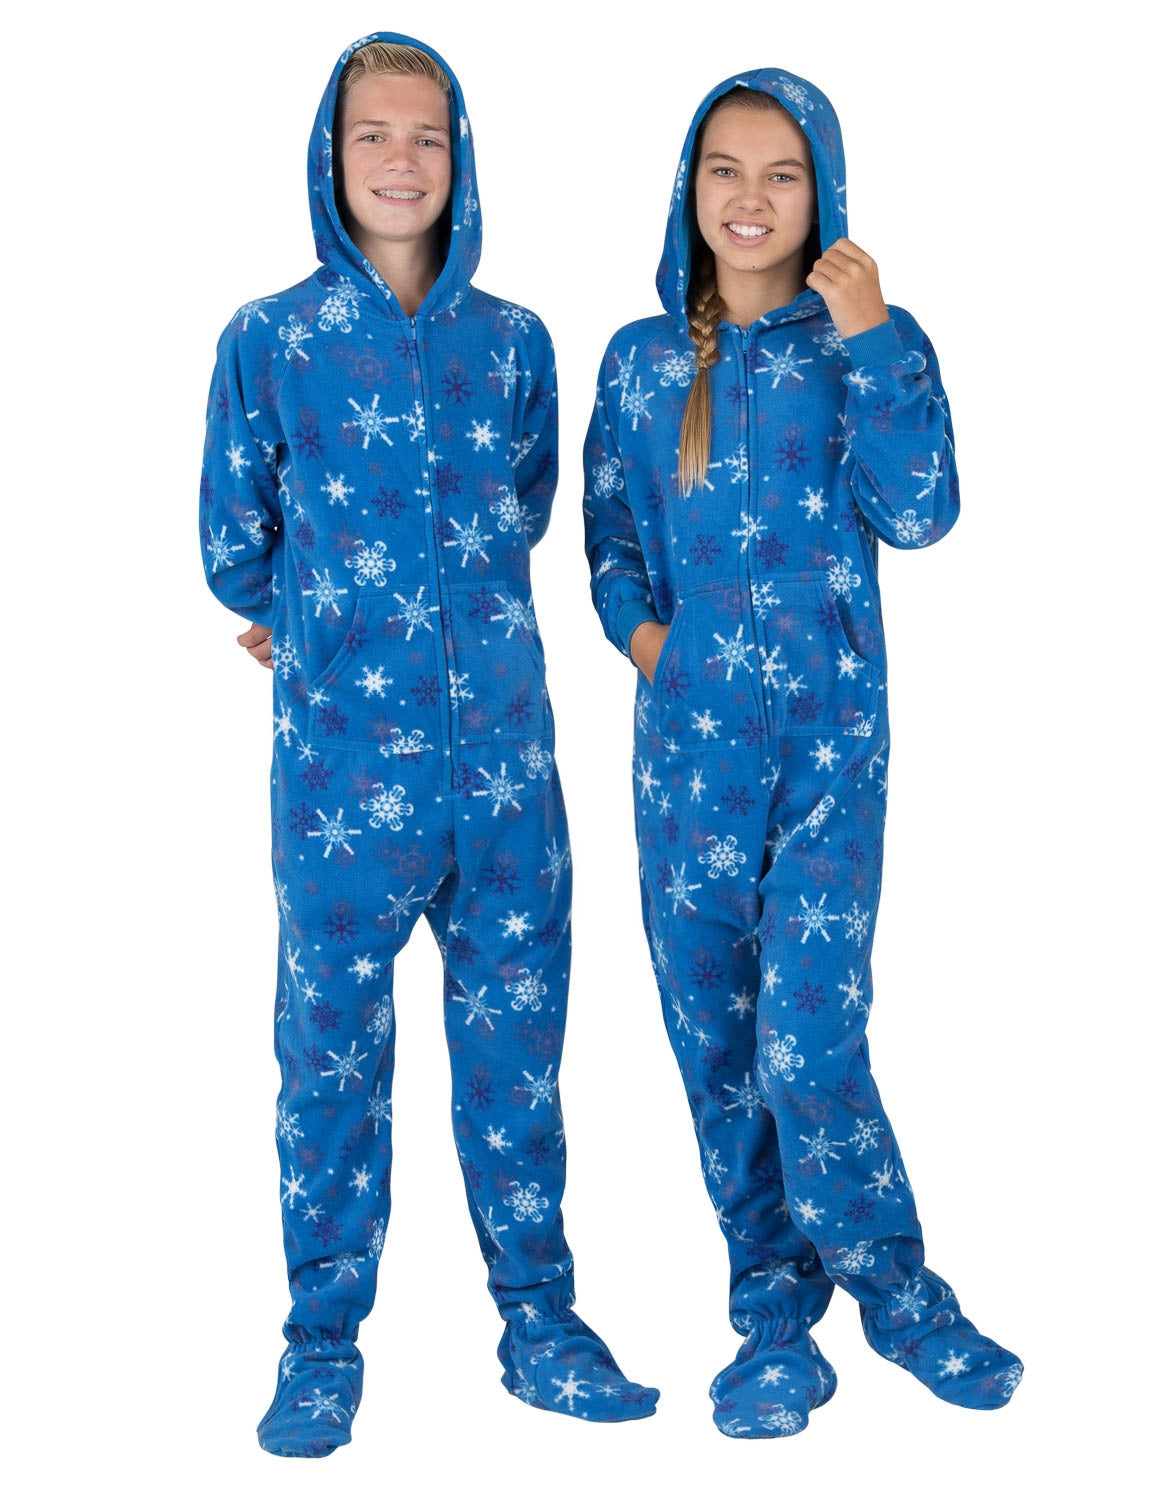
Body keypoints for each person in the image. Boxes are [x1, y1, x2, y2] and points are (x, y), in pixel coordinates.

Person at [199, 32, 658, 1458]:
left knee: (520, 1058)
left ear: (461, 159)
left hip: (507, 773)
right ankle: (321, 1345)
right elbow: (231, 541)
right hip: (343, 775)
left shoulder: (515, 344)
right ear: (329, 159)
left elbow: (524, 506)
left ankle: (542, 1323)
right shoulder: (270, 341)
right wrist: (314, 620)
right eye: (373, 136)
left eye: (428, 137)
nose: (401, 162)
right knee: (330, 1066)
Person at [582, 69, 1022, 1439]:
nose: (752, 197)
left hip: (832, 758)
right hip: (685, 766)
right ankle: (774, 1316)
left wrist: (875, 335)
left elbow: (923, 512)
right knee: (720, 1049)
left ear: (822, 194)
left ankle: (899, 1295)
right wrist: (652, 647)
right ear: (690, 188)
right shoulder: (641, 361)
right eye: (726, 168)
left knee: (808, 1039)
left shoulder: (866, 341)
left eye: (783, 174)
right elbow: (610, 539)